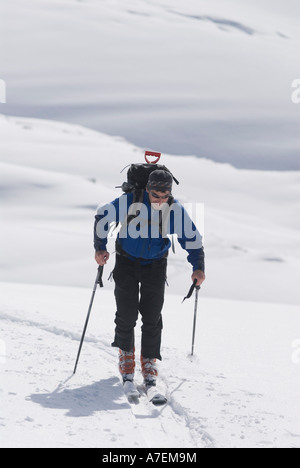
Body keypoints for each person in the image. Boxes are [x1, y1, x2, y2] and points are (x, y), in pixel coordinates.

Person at [94, 169, 205, 389]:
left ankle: (149, 360)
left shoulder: (174, 210)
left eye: (165, 196)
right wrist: (100, 248)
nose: (160, 200)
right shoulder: (130, 201)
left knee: (152, 316)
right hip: (126, 262)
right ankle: (126, 355)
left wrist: (198, 267)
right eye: (156, 195)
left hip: (155, 265)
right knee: (126, 313)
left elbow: (192, 239)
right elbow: (102, 217)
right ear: (147, 189)